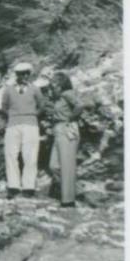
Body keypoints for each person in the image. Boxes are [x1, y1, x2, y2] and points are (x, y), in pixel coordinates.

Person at [1, 62, 46, 199]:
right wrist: (13, 116)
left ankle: (28, 187)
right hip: (12, 124)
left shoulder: (35, 89)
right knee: (11, 154)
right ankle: (13, 186)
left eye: (27, 73)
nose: (25, 76)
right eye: (21, 73)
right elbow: (4, 107)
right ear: (17, 75)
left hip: (31, 125)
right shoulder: (8, 89)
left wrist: (31, 116)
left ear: (30, 74)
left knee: (30, 155)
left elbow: (42, 106)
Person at [49, 72, 82, 208]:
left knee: (67, 166)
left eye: (54, 83)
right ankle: (65, 192)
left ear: (61, 83)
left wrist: (71, 119)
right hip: (58, 130)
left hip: (67, 129)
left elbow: (79, 106)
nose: (52, 86)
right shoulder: (58, 98)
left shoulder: (67, 93)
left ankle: (68, 201)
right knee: (54, 165)